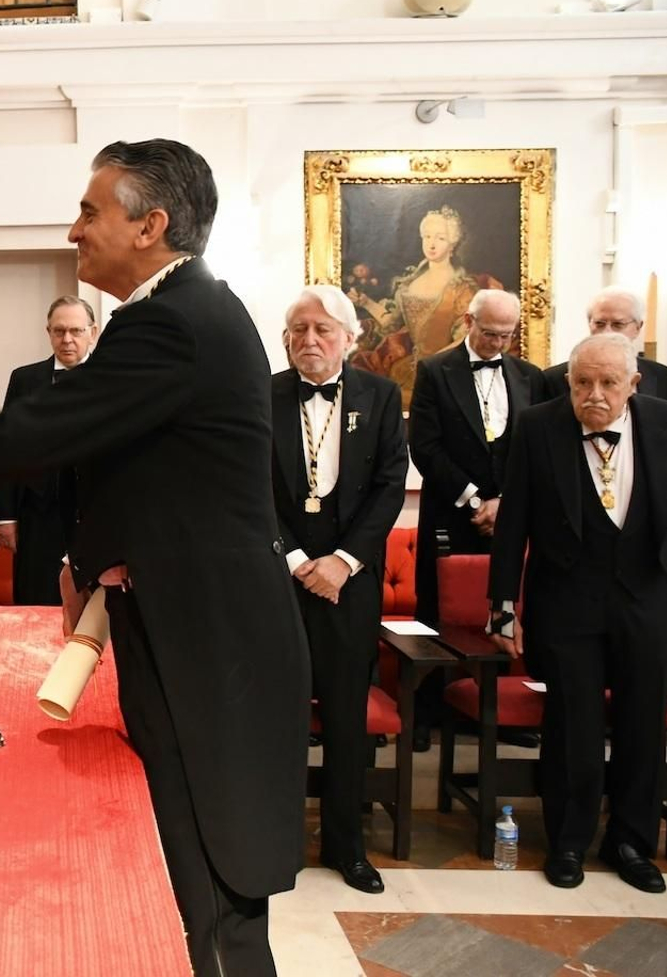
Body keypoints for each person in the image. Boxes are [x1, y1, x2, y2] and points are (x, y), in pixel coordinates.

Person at [0, 139, 309, 976]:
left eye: (91, 212)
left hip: (215, 639)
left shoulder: (172, 321)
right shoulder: (180, 314)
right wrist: (101, 557)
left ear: (150, 225)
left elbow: (37, 433)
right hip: (192, 621)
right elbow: (145, 467)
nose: (75, 229)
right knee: (192, 880)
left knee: (216, 891)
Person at [489, 333, 667, 894]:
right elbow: (513, 522)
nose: (594, 395)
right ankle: (567, 840)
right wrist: (502, 606)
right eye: (582, 382)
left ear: (634, 383)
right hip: (566, 602)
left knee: (641, 723)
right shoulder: (538, 426)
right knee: (572, 726)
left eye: (609, 383)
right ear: (569, 381)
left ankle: (632, 841)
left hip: (648, 600)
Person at [272, 286, 408, 894]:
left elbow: (388, 486)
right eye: (299, 329)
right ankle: (272, 844)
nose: (310, 340)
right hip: (278, 582)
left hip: (350, 585)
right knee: (276, 719)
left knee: (347, 719)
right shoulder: (263, 396)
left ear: (350, 338)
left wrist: (343, 561)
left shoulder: (381, 395)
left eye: (323, 330)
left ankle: (346, 848)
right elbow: (252, 488)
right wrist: (301, 560)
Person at [406, 289, 545, 747]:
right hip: (451, 512)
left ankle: (498, 713)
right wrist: (474, 500)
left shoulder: (529, 376)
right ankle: (428, 711)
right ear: (468, 320)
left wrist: (504, 502)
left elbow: (531, 451)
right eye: (489, 333)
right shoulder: (434, 370)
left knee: (503, 607)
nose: (498, 343)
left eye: (507, 335)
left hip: (509, 517)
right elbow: (426, 446)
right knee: (436, 613)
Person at [0, 295, 98, 605]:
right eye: (59, 331)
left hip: (94, 513)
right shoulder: (24, 380)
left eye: (76, 331)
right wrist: (5, 515)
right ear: (48, 332)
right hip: (38, 514)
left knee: (93, 607)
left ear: (93, 333)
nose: (67, 339)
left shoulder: (115, 378)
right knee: (35, 601)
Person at [350, 205, 504, 405]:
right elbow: (392, 324)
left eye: (440, 238)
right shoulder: (411, 281)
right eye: (427, 237)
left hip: (445, 375)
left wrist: (433, 365)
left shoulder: (461, 287)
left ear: (452, 244)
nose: (432, 244)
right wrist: (367, 303)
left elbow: (467, 339)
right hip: (405, 371)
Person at [541, 286, 667, 401]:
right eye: (600, 323)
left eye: (618, 324)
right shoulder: (554, 379)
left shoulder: (660, 376)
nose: (607, 331)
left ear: (638, 327)